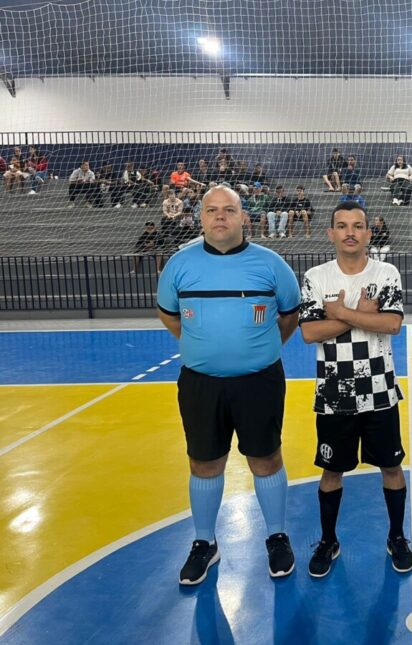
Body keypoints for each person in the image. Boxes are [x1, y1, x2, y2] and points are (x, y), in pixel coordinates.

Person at [156, 185, 301, 585]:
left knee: (266, 458)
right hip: (201, 384)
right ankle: (205, 543)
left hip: (260, 383)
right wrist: (203, 348)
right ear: (199, 217)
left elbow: (289, 315)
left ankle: (276, 536)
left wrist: (259, 349)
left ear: (243, 217)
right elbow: (170, 315)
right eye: (211, 210)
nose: (220, 217)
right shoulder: (179, 265)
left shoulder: (271, 265)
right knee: (204, 463)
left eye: (229, 210)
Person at [299, 201, 412, 577]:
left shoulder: (387, 272)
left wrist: (341, 313)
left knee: (392, 466)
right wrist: (365, 314)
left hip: (380, 392)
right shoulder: (316, 276)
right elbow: (310, 332)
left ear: (368, 232)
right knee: (331, 472)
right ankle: (328, 540)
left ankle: (397, 536)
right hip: (334, 395)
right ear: (330, 233)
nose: (350, 232)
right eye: (342, 225)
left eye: (358, 225)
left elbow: (392, 325)